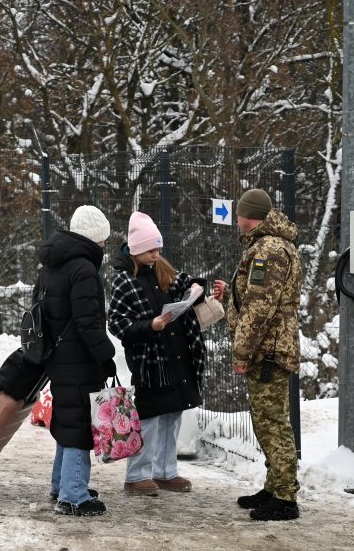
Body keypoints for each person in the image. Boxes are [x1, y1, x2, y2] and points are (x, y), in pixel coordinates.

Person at [212, 188, 302, 521]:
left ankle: (285, 497)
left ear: (248, 216)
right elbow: (253, 296)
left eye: (238, 214)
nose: (236, 220)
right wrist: (230, 292)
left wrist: (242, 352)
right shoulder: (268, 246)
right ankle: (275, 486)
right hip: (269, 347)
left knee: (273, 423)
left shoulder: (269, 250)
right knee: (266, 421)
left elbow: (260, 309)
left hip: (268, 351)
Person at [107, 211, 208, 497]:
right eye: (151, 249)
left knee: (172, 415)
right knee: (149, 419)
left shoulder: (163, 271)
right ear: (137, 250)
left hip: (176, 357)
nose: (156, 254)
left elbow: (189, 283)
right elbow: (118, 323)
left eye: (158, 249)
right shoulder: (124, 282)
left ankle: (165, 472)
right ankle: (136, 475)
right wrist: (150, 325)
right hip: (150, 363)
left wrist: (197, 288)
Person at [38, 205, 117, 517]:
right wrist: (106, 356)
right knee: (80, 425)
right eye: (104, 240)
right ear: (95, 238)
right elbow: (89, 323)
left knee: (68, 422)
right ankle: (74, 496)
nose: (105, 246)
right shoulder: (83, 269)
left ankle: (63, 485)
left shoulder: (52, 265)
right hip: (80, 359)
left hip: (58, 357)